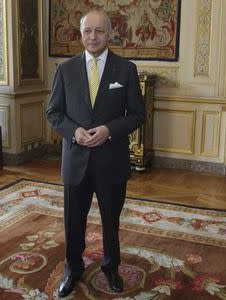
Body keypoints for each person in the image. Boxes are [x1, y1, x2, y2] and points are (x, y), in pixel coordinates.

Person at [46, 9, 145, 298]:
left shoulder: (125, 69)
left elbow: (138, 115)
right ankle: (72, 269)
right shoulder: (65, 70)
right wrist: (74, 132)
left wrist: (109, 129)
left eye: (99, 31)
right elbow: (53, 112)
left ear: (110, 33)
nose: (93, 36)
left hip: (111, 159)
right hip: (75, 159)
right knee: (73, 221)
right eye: (88, 30)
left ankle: (110, 267)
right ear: (81, 34)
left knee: (110, 220)